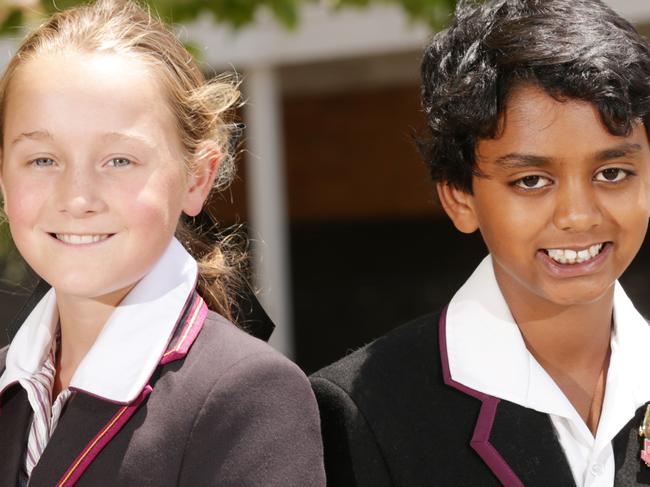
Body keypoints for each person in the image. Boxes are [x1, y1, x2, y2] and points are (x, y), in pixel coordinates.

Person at [311, 0, 650, 485]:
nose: (578, 215)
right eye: (531, 180)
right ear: (459, 198)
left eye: (612, 173)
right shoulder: (361, 411)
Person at [0, 1, 325, 486]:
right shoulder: (10, 384)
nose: (78, 197)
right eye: (43, 160)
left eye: (120, 160)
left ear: (197, 177)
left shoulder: (247, 394)